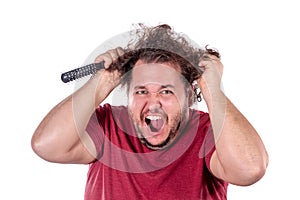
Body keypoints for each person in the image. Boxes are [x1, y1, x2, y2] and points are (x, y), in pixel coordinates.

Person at [31, 24, 268, 200]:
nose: (153, 103)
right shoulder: (109, 125)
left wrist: (212, 90)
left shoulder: (210, 132)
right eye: (141, 91)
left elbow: (250, 170)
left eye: (166, 91)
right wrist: (100, 83)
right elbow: (46, 145)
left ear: (188, 97)